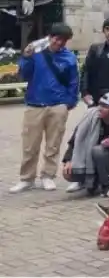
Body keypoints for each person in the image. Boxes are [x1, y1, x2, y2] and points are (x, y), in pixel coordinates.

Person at [10, 23, 79, 193]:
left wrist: (68, 103)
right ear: (49, 37)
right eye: (56, 38)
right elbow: (24, 74)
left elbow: (74, 82)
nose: (59, 42)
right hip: (35, 104)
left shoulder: (69, 58)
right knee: (30, 145)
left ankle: (48, 176)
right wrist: (26, 58)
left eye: (63, 40)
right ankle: (26, 178)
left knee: (53, 144)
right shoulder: (36, 53)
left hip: (58, 105)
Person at [61, 91, 109, 195]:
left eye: (105, 106)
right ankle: (86, 181)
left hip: (106, 162)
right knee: (68, 174)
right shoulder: (90, 118)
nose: (99, 108)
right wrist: (68, 160)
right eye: (100, 104)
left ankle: (105, 182)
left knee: (98, 150)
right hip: (86, 161)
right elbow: (74, 140)